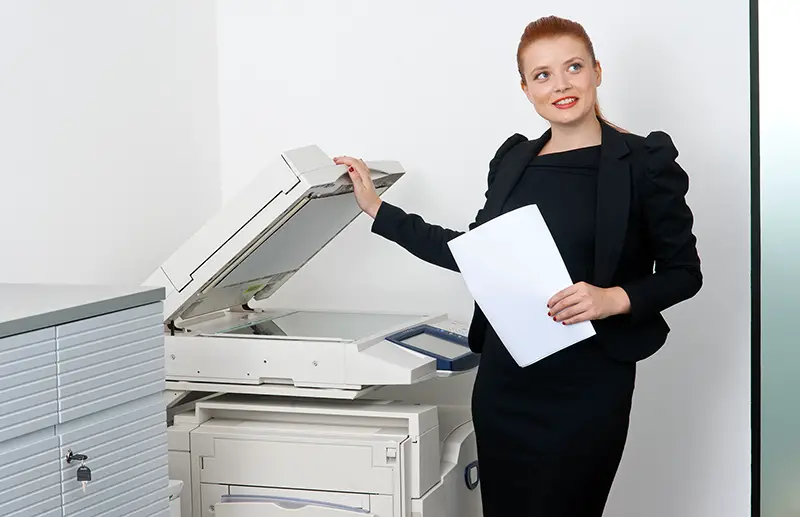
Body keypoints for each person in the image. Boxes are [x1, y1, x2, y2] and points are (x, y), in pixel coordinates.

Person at [334, 15, 702, 517]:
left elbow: (685, 272)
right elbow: (476, 256)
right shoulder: (513, 161)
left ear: (596, 70)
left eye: (573, 67)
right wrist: (379, 210)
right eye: (543, 74)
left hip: (590, 386)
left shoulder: (644, 162)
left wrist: (611, 298)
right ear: (527, 89)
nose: (562, 84)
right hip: (508, 382)